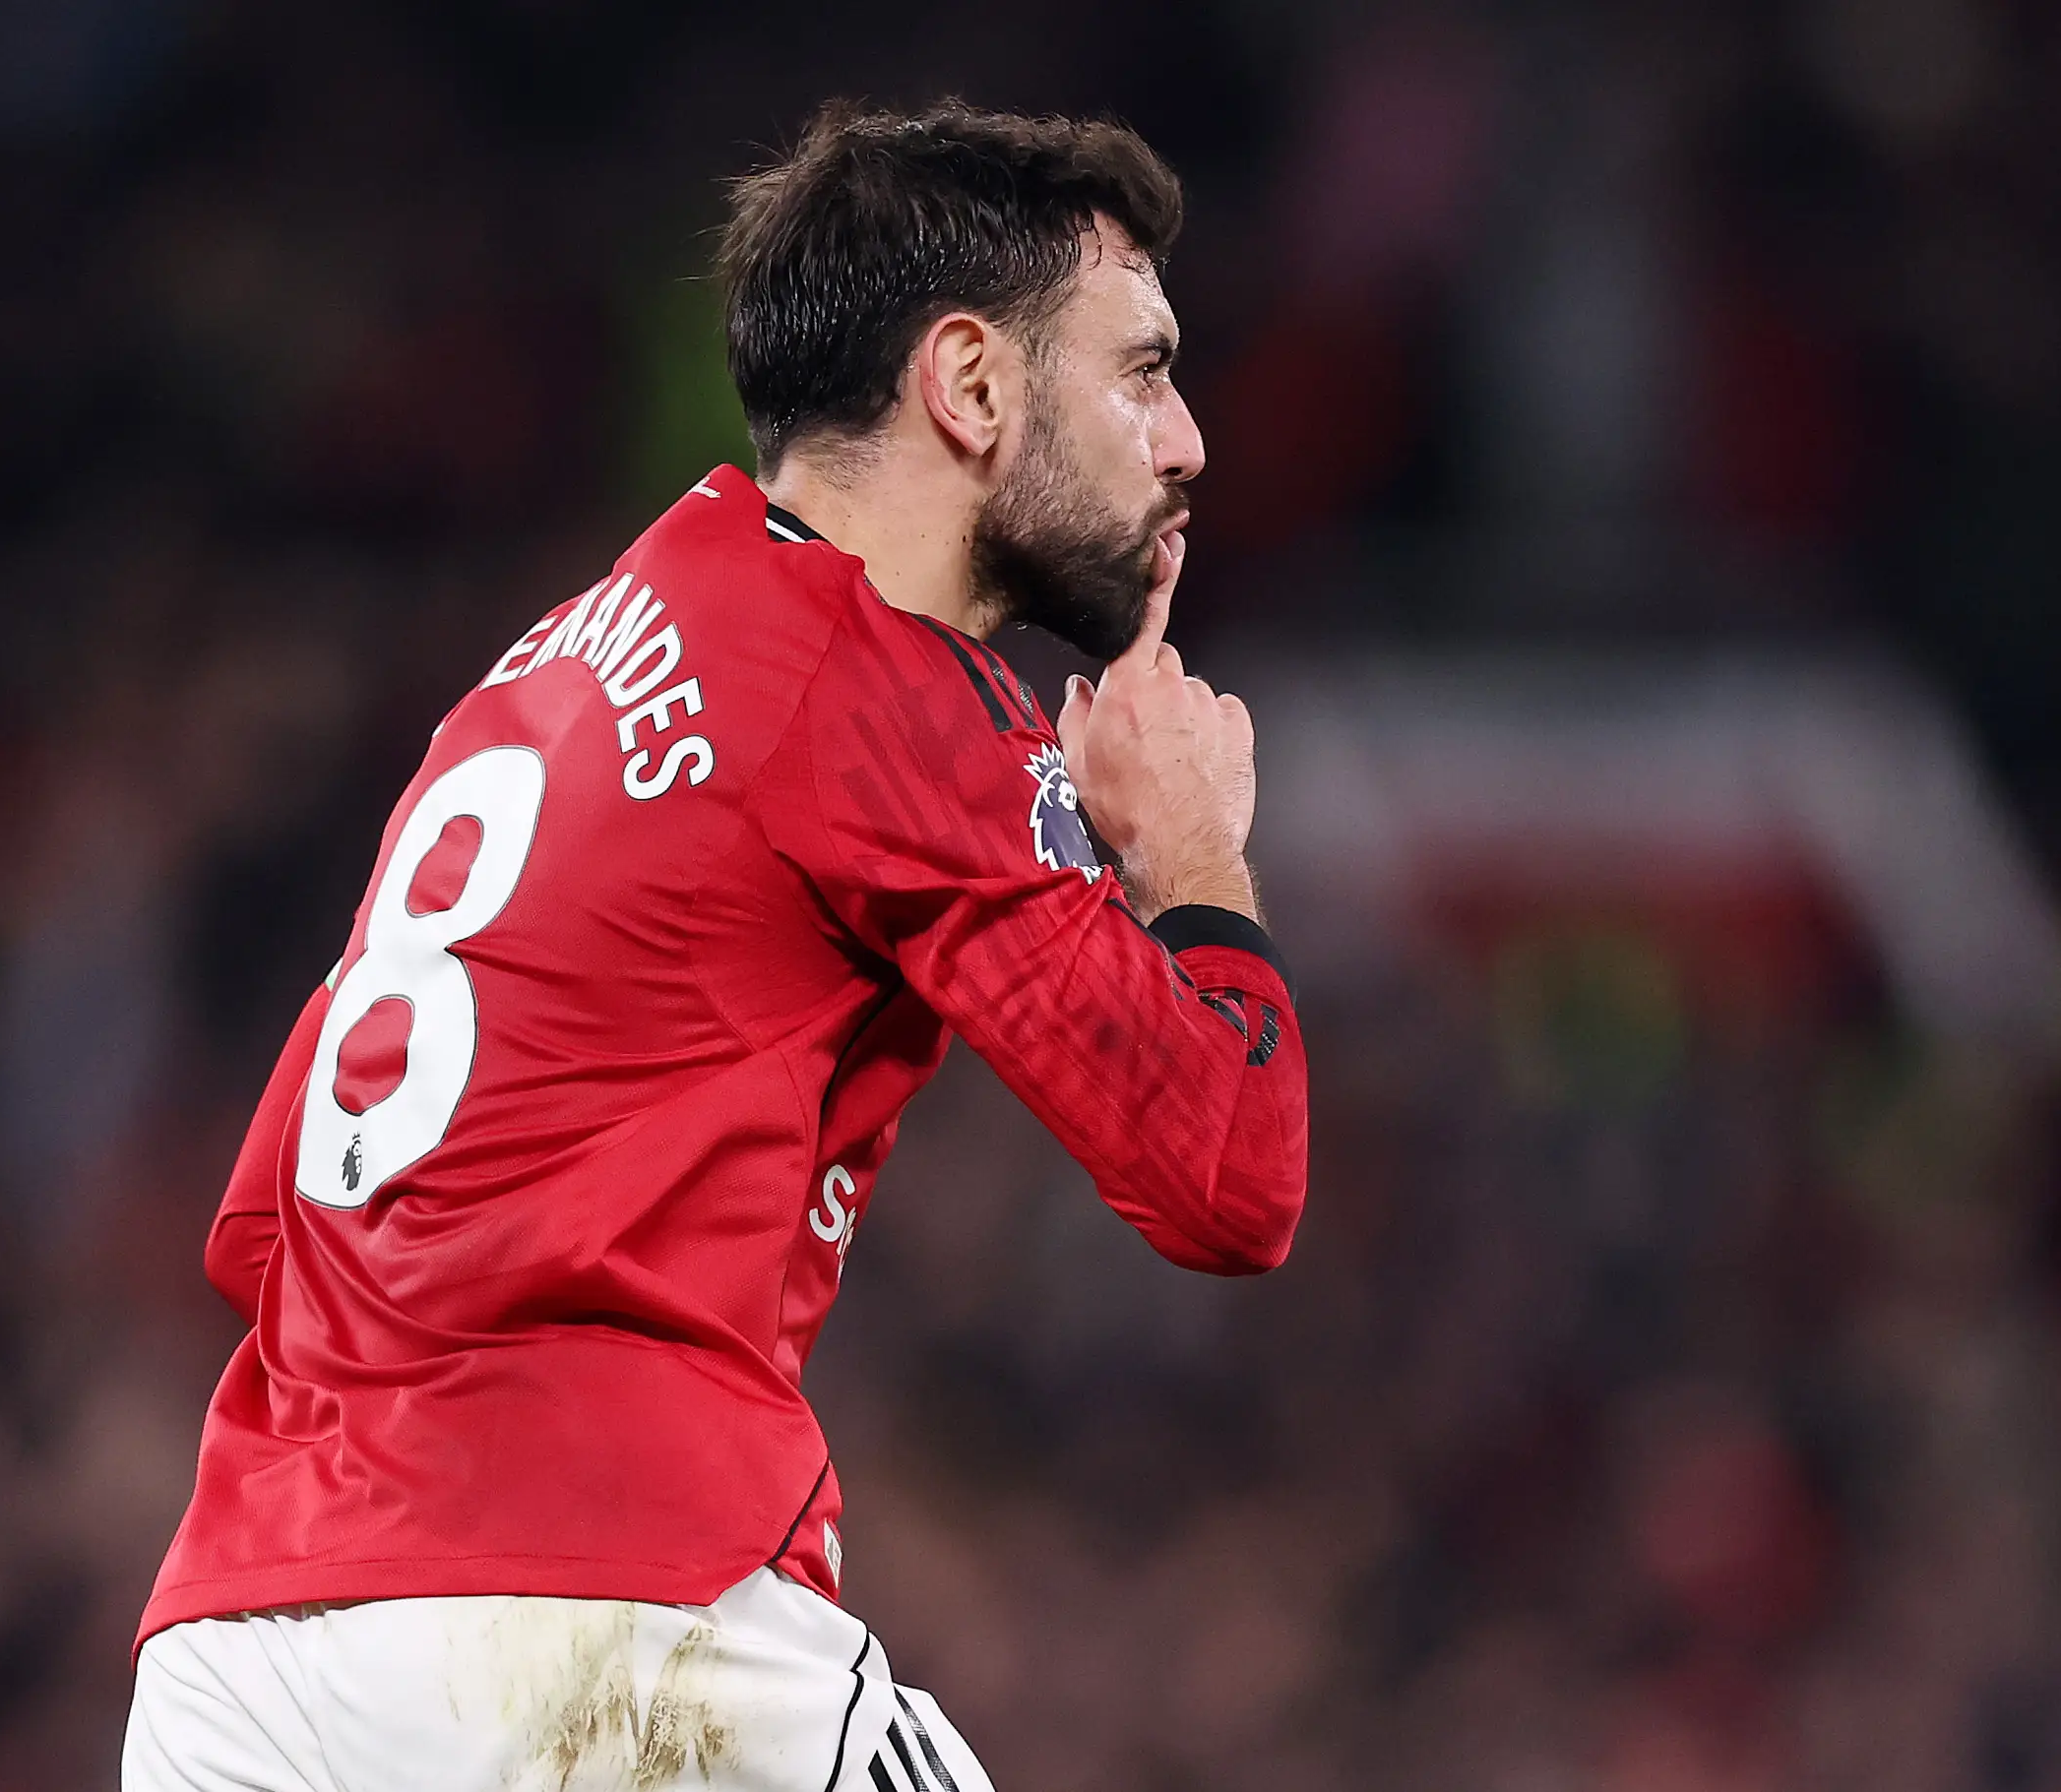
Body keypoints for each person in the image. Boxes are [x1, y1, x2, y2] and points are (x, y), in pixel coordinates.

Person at [123, 100, 1310, 1792]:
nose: (1187, 439)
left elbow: (271, 1212)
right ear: (969, 387)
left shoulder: (549, 674)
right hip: (583, 1621)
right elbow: (1228, 1173)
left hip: (243, 1646)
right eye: (1139, 371)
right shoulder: (865, 682)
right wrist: (1192, 858)